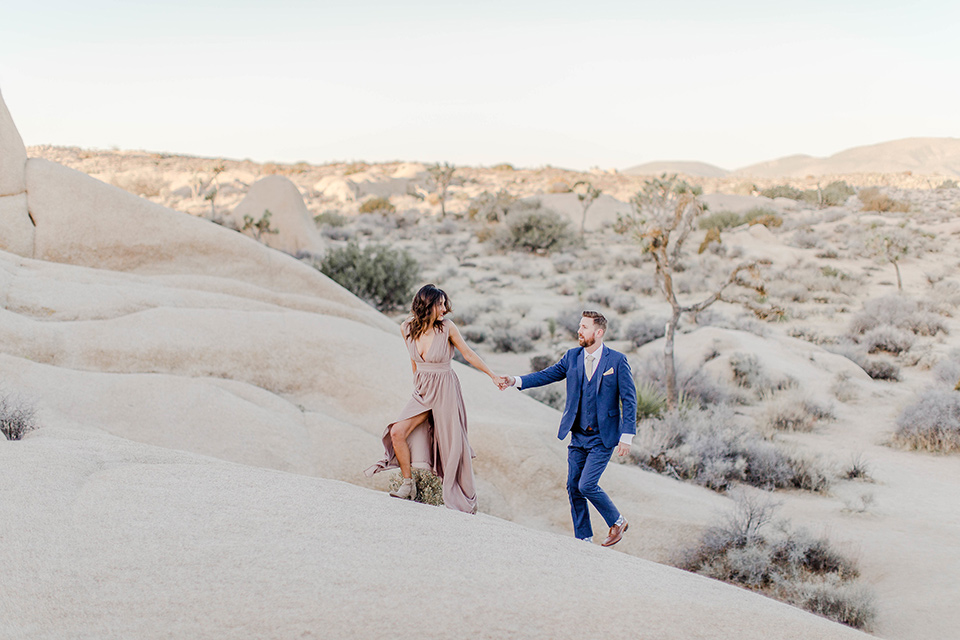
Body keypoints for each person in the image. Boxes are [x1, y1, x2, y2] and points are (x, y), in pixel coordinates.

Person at [500, 310, 636, 546]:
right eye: (579, 326)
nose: (579, 331)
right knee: (573, 487)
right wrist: (516, 380)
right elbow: (547, 375)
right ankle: (583, 538)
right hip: (578, 435)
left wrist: (627, 435)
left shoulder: (616, 361)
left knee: (587, 485)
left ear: (599, 332)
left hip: (603, 437)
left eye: (584, 327)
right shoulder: (572, 357)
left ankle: (617, 521)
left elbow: (629, 399)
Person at [365, 284, 501, 514]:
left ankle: (462, 498)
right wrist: (416, 385)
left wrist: (492, 375)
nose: (444, 309)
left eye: (444, 303)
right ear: (427, 305)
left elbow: (468, 354)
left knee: (451, 445)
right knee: (397, 432)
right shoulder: (406, 328)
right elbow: (413, 361)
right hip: (422, 390)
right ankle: (408, 485)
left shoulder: (447, 328)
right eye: (439, 304)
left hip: (445, 388)